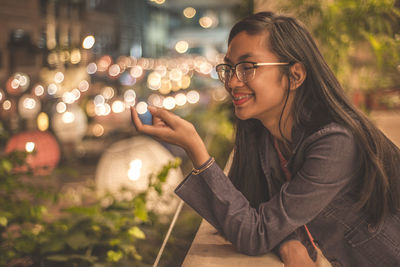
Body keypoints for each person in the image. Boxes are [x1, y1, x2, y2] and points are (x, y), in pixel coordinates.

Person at [131, 11, 400, 267]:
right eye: (229, 68)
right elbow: (257, 209)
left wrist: (195, 147)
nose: (233, 82)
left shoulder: (335, 144)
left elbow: (255, 233)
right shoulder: (265, 133)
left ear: (295, 75)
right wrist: (288, 241)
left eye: (247, 67)